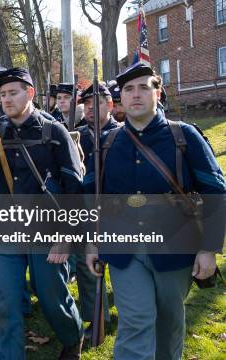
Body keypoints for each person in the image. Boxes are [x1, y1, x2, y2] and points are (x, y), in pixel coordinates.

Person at [85, 63, 226, 360]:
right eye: (128, 89)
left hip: (175, 247)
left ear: (157, 93)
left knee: (169, 324)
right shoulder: (106, 143)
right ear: (120, 98)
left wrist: (209, 249)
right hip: (123, 251)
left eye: (143, 87)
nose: (135, 95)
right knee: (135, 323)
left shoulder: (184, 136)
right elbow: (90, 198)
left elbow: (215, 192)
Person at [0, 67, 84, 360]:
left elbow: (74, 188)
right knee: (4, 302)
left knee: (51, 295)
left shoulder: (54, 132)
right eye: (2, 94)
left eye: (13, 92)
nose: (6, 99)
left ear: (30, 93)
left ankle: (71, 336)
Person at [73, 83, 119, 338]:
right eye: (87, 104)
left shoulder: (123, 133)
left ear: (110, 105)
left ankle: (130, 310)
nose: (90, 109)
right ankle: (97, 318)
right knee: (88, 266)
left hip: (116, 210)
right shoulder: (76, 134)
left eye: (96, 103)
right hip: (85, 208)